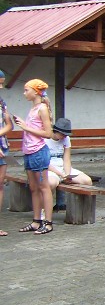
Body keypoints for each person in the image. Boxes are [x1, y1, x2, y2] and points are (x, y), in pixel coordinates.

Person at [14, 79, 55, 235]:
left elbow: (48, 133)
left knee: (44, 187)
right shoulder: (33, 108)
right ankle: (36, 221)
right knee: (33, 188)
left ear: (36, 92)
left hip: (38, 152)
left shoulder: (42, 108)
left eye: (26, 90)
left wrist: (25, 127)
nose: (24, 93)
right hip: (28, 152)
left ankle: (48, 223)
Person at [46, 118, 93, 212]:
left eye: (66, 135)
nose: (64, 137)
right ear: (56, 131)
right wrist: (61, 174)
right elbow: (45, 163)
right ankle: (46, 210)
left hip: (63, 168)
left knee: (87, 181)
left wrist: (67, 174)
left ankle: (82, 210)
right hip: (50, 169)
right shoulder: (45, 139)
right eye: (62, 134)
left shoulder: (66, 139)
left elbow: (66, 159)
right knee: (51, 183)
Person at [0, 70, 12, 236]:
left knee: (0, 184)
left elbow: (9, 124)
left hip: (3, 147)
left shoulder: (1, 102)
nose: (1, 87)